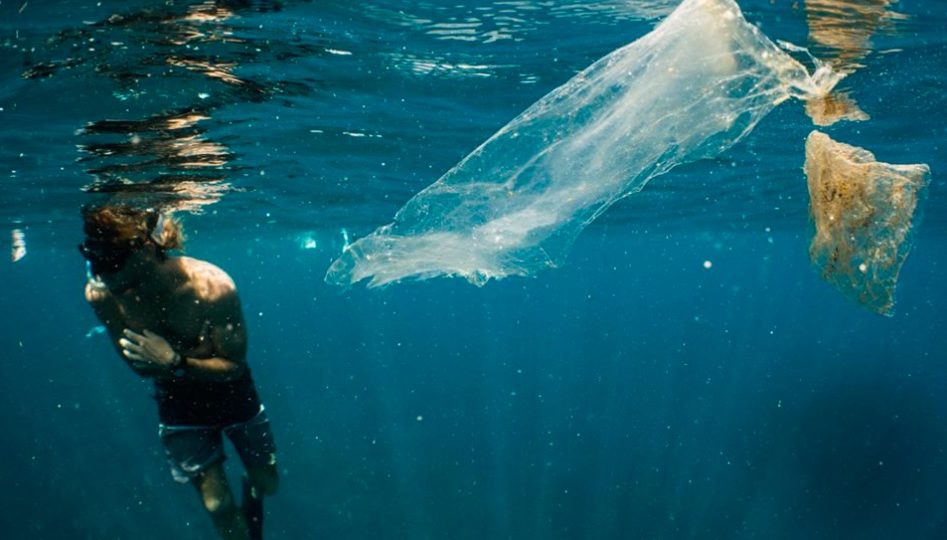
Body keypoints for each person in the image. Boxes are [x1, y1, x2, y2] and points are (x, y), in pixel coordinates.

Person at [80, 204, 278, 540]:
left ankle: (253, 491)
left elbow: (233, 368)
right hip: (176, 398)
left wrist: (174, 362)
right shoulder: (103, 296)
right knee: (217, 506)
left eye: (111, 260)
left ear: (143, 249)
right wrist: (166, 365)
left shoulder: (212, 287)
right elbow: (141, 368)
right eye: (94, 259)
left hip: (231, 390)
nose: (103, 274)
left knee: (267, 483)